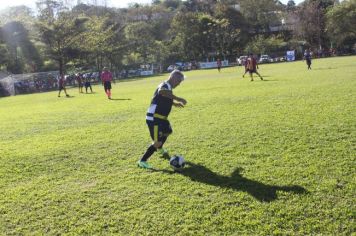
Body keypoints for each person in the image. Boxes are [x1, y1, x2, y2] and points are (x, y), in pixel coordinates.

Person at [137, 70, 187, 169]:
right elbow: (162, 92)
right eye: (179, 81)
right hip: (154, 119)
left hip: (161, 118)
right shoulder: (165, 85)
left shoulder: (168, 87)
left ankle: (159, 149)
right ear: (173, 78)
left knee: (168, 131)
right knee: (157, 141)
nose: (179, 84)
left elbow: (163, 97)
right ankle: (142, 161)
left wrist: (174, 103)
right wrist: (178, 98)